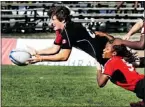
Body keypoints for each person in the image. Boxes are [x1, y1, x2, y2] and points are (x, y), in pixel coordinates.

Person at [28, 6, 114, 66]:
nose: (51, 23)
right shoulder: (65, 29)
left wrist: (40, 59)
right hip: (106, 53)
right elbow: (55, 48)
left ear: (63, 20)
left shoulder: (69, 31)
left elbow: (64, 56)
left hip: (110, 54)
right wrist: (37, 52)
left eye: (53, 19)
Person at [96, 40, 145, 107]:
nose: (104, 50)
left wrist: (98, 69)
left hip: (141, 87)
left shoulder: (111, 62)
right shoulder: (120, 59)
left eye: (107, 49)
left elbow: (101, 83)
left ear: (114, 53)